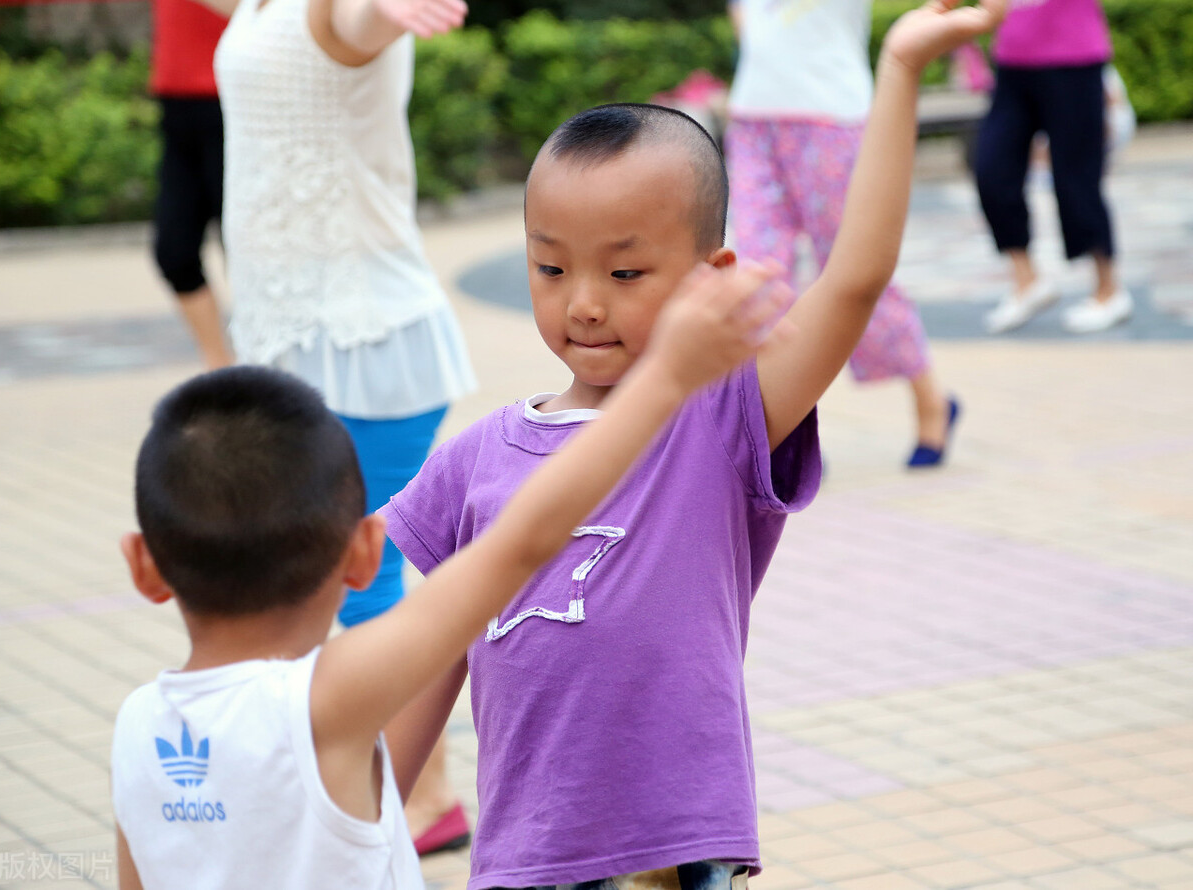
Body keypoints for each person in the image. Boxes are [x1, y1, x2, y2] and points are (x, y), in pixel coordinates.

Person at [379, 4, 1006, 890]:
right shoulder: (471, 460)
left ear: (709, 277)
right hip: (523, 862)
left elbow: (856, 279)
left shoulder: (721, 419)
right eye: (551, 268)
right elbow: (425, 663)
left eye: (624, 272)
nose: (584, 302)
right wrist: (363, 839)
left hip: (674, 860)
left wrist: (898, 70)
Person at [111, 265, 790, 890]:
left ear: (144, 565)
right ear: (363, 553)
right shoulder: (330, 698)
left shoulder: (138, 729)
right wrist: (666, 376)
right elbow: (523, 542)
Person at [199, 0, 477, 846]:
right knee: (343, 575)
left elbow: (350, 23)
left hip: (362, 341)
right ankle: (412, 793)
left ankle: (425, 798)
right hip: (303, 340)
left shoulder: (334, 9)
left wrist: (376, 9)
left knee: (361, 578)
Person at [725, 0, 959, 468]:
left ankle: (930, 398)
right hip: (753, 118)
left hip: (829, 118)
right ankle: (783, 423)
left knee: (858, 267)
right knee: (757, 273)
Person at [976, 0, 1130, 334]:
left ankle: (1109, 292)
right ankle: (1027, 281)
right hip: (1013, 63)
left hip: (1074, 57)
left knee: (1077, 179)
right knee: (991, 169)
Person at [150, 0, 232, 370]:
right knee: (174, 251)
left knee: (248, 254)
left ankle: (269, 369)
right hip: (177, 102)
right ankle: (221, 367)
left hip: (235, 99)